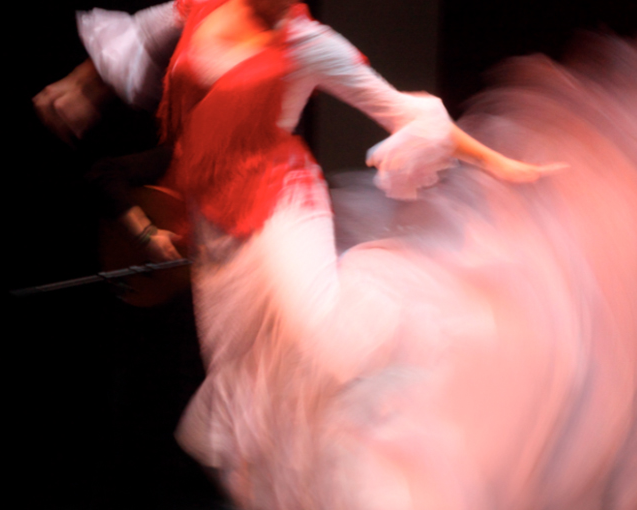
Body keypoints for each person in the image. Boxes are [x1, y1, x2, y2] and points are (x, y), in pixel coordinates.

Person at [72, 1, 637, 509]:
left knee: (330, 343)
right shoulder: (196, 10)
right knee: (263, 394)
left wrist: (508, 167)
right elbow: (136, 39)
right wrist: (79, 89)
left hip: (281, 208)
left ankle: (435, 324)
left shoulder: (307, 43)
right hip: (221, 242)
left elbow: (400, 110)